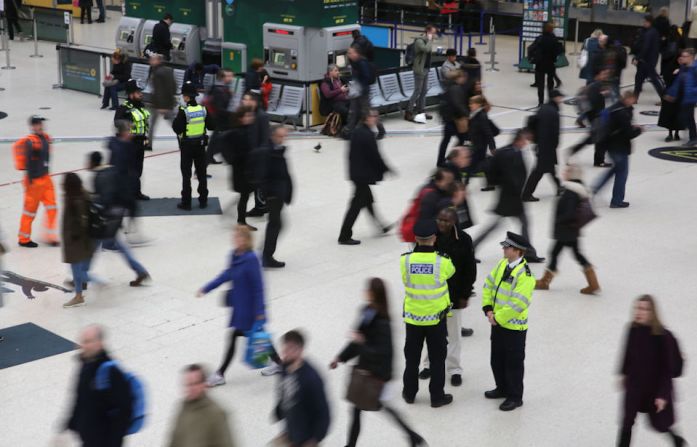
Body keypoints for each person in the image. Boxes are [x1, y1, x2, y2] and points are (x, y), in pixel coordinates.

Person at [330, 278, 426, 447]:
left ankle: (412, 436)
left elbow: (381, 351)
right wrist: (340, 357)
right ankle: (412, 436)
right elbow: (357, 340)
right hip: (368, 370)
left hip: (377, 374)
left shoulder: (382, 321)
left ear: (374, 293)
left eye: (368, 290)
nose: (364, 292)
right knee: (362, 409)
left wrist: (361, 343)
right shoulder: (367, 311)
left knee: (375, 407)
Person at [197, 225, 282, 386]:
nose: (236, 240)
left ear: (247, 240)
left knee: (237, 336)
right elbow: (225, 275)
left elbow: (259, 287)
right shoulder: (233, 255)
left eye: (240, 237)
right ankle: (279, 363)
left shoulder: (251, 259)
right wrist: (206, 288)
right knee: (258, 336)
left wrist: (259, 311)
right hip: (240, 307)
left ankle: (220, 373)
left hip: (250, 310)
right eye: (235, 237)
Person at [617, 295, 687, 447]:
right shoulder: (632, 330)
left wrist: (662, 395)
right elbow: (627, 354)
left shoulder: (663, 337)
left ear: (652, 313)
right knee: (627, 422)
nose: (639, 312)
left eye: (644, 309)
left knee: (660, 424)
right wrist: (623, 374)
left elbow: (667, 370)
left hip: (654, 390)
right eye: (637, 308)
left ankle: (677, 441)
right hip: (634, 385)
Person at [418, 208, 476, 386]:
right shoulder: (430, 236)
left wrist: (465, 294)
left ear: (454, 222)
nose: (442, 224)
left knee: (453, 334)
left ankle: (455, 369)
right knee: (432, 333)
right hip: (433, 296)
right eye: (440, 220)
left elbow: (470, 269)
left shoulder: (464, 240)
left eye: (446, 221)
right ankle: (428, 364)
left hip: (454, 296)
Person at [401, 220, 455, 408]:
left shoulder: (405, 260)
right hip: (435, 320)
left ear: (416, 239)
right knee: (437, 359)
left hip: (413, 319)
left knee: (412, 359)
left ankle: (409, 394)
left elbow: (405, 278)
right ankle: (437, 397)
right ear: (434, 238)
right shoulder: (443, 261)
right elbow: (451, 273)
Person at [473, 129, 545, 262]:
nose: (526, 143)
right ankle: (471, 248)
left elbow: (493, 169)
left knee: (517, 223)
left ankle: (529, 252)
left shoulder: (505, 151)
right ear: (519, 140)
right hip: (511, 197)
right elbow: (512, 176)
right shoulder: (512, 154)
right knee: (500, 225)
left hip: (508, 196)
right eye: (525, 140)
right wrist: (516, 189)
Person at [482, 232, 535, 412]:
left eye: (507, 247)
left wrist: (497, 317)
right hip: (497, 323)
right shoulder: (502, 264)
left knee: (513, 363)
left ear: (518, 251)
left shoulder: (525, 275)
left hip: (513, 327)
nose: (503, 249)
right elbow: (488, 285)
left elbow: (518, 303)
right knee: (496, 359)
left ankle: (515, 396)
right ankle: (502, 388)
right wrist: (488, 308)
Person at [87, 151, 150, 287]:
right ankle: (140, 271)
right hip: (118, 214)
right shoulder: (110, 170)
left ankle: (81, 276)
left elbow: (104, 199)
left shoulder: (99, 176)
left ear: (92, 163)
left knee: (93, 246)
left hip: (107, 219)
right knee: (116, 245)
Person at [534, 165, 599, 294]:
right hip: (571, 230)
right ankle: (593, 283)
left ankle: (544, 282)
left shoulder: (570, 191)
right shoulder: (576, 188)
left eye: (567, 171)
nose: (564, 172)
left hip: (566, 230)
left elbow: (569, 213)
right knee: (567, 254)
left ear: (573, 174)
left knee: (557, 253)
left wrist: (559, 221)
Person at [64, 325, 132, 446]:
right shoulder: (86, 365)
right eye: (83, 341)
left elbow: (125, 411)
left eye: (88, 341)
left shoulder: (111, 372)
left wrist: (113, 442)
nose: (83, 345)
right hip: (89, 439)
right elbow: (80, 399)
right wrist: (69, 426)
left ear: (100, 343)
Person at [338, 110, 393, 245]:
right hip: (362, 175)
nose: (375, 118)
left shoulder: (357, 131)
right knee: (356, 206)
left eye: (376, 116)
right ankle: (344, 236)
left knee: (368, 200)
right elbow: (375, 156)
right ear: (366, 118)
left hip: (357, 174)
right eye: (373, 116)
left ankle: (381, 226)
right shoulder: (367, 135)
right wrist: (387, 169)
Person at [272, 330, 330, 447]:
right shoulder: (284, 368)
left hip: (307, 438)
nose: (285, 352)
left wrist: (315, 439)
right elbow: (285, 394)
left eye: (291, 349)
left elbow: (324, 413)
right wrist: (279, 411)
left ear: (301, 350)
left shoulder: (311, 378)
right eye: (285, 348)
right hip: (291, 431)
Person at [592, 91, 642, 209]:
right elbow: (628, 133)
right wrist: (639, 130)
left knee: (614, 171)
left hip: (611, 145)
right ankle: (617, 200)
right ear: (628, 99)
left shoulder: (615, 109)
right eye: (633, 99)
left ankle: (595, 189)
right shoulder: (622, 113)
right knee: (622, 174)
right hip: (619, 147)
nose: (633, 102)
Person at [167, 364, 236, 447]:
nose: (191, 388)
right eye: (188, 384)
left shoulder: (215, 414)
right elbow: (175, 439)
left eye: (195, 383)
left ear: (204, 384)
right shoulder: (183, 407)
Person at [16, 116, 59, 248]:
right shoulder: (30, 142)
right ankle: (23, 239)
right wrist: (30, 182)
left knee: (52, 208)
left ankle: (51, 236)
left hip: (46, 178)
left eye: (41, 123)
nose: (41, 126)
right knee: (29, 211)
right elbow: (28, 164)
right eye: (38, 124)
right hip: (34, 181)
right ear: (33, 126)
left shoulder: (46, 138)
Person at [172, 82, 215, 211]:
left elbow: (176, 128)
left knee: (186, 175)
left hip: (187, 147)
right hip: (201, 146)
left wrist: (178, 115)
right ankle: (203, 200)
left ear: (186, 97)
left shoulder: (183, 111)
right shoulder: (203, 109)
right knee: (202, 174)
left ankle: (186, 203)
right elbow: (212, 126)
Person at [260, 126, 293, 268]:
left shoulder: (277, 150)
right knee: (276, 224)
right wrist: (270, 193)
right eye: (280, 136)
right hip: (274, 195)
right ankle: (266, 256)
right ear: (273, 136)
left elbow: (285, 174)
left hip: (278, 194)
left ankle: (265, 254)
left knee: (276, 224)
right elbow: (264, 175)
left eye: (284, 136)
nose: (283, 139)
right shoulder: (269, 151)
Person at [61, 173, 96, 309]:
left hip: (76, 241)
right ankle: (80, 292)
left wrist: (74, 235)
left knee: (77, 270)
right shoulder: (79, 195)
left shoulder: (76, 199)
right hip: (78, 240)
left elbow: (81, 220)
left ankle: (79, 296)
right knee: (79, 269)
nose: (61, 185)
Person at [522, 89, 563, 201]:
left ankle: (559, 187)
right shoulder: (553, 112)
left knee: (549, 168)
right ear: (555, 98)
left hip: (541, 144)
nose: (561, 99)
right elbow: (555, 132)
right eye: (560, 97)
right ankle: (526, 194)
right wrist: (555, 145)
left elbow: (532, 120)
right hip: (547, 146)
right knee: (539, 171)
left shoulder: (544, 108)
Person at [114, 80, 151, 200]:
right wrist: (127, 127)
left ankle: (136, 192)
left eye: (140, 92)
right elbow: (117, 122)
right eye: (138, 92)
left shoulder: (141, 106)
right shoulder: (124, 108)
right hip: (129, 145)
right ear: (131, 94)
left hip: (140, 143)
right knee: (128, 170)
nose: (141, 94)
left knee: (138, 170)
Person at [568, 68, 613, 166]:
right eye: (603, 74)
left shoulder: (600, 86)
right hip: (596, 116)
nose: (606, 76)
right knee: (599, 138)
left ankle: (575, 151)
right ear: (597, 76)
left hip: (596, 115)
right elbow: (592, 102)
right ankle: (598, 161)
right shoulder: (595, 86)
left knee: (596, 138)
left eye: (606, 74)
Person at [223, 106, 257, 228]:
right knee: (245, 195)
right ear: (241, 118)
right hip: (241, 170)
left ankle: (240, 219)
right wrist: (232, 160)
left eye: (251, 116)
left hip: (248, 168)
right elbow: (223, 145)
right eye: (247, 116)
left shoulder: (249, 130)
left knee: (246, 194)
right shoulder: (236, 132)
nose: (250, 118)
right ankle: (241, 221)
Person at [242, 92, 272, 218]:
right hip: (252, 156)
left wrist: (257, 153)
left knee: (260, 185)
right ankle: (260, 207)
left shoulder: (262, 116)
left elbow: (265, 140)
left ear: (254, 101)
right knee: (256, 185)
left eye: (247, 99)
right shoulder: (249, 114)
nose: (244, 102)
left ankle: (265, 206)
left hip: (260, 157)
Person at [664, 48, 697, 146]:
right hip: (683, 96)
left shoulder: (695, 68)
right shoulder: (683, 67)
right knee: (684, 117)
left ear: (691, 57)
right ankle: (693, 136)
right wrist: (671, 94)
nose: (682, 58)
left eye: (684, 56)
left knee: (688, 117)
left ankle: (693, 137)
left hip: (690, 97)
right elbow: (677, 82)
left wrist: (692, 92)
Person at [405, 24, 437, 123]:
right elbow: (426, 49)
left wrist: (430, 40)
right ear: (428, 32)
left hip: (426, 68)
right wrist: (430, 40)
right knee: (417, 91)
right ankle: (408, 112)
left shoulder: (427, 41)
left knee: (424, 91)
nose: (434, 35)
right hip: (419, 69)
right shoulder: (419, 41)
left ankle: (421, 111)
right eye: (433, 33)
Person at [437, 69, 468, 167]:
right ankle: (451, 159)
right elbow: (457, 104)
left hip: (448, 118)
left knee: (445, 140)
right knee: (462, 138)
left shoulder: (448, 86)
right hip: (454, 119)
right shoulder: (456, 88)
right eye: (463, 77)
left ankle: (441, 161)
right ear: (458, 78)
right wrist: (466, 114)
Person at [465, 95, 496, 189]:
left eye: (472, 103)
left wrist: (492, 146)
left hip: (480, 145)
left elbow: (488, 132)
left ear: (478, 105)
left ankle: (464, 184)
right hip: (477, 143)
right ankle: (490, 183)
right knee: (482, 164)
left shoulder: (481, 116)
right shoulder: (475, 114)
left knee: (472, 164)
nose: (470, 105)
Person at [343, 44, 374, 136]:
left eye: (350, 53)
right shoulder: (355, 62)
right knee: (354, 112)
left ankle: (379, 130)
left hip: (362, 92)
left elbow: (366, 77)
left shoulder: (362, 63)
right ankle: (348, 131)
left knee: (365, 112)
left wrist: (361, 87)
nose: (349, 55)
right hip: (356, 91)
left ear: (356, 53)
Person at [147, 53, 177, 147]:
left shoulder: (157, 73)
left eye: (153, 59)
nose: (150, 61)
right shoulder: (168, 70)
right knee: (174, 123)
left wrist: (162, 106)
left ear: (158, 61)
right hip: (169, 102)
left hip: (159, 104)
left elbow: (159, 91)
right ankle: (183, 140)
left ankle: (149, 144)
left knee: (152, 124)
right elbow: (174, 87)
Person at [206, 68, 234, 165]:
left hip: (223, 120)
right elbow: (219, 108)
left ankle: (210, 159)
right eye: (229, 76)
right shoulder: (218, 89)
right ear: (222, 77)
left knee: (221, 140)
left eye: (232, 75)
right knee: (217, 143)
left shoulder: (223, 88)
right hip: (220, 120)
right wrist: (233, 113)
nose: (231, 78)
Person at [632, 15, 664, 102]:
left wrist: (637, 58)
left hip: (647, 61)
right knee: (639, 78)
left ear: (649, 22)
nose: (643, 23)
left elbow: (645, 47)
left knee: (653, 79)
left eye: (645, 22)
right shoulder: (654, 32)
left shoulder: (649, 33)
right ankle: (635, 97)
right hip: (649, 60)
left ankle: (664, 98)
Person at [532, 22, 563, 107]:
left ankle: (540, 102)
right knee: (550, 84)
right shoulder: (554, 39)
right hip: (550, 64)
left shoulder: (539, 39)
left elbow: (533, 48)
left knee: (540, 84)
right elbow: (559, 51)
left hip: (540, 64)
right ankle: (550, 100)